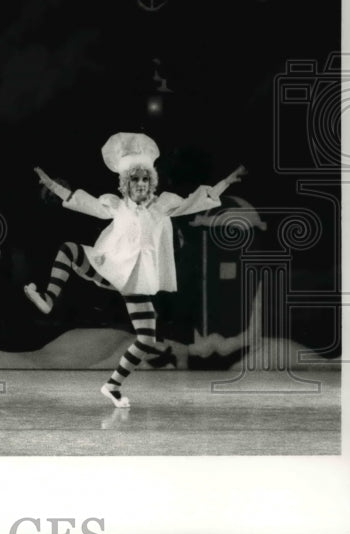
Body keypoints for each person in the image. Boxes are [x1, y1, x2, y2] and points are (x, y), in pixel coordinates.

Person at [26, 132, 245, 408]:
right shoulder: (116, 205)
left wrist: (226, 181)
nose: (140, 184)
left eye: (144, 179)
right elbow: (84, 203)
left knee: (147, 338)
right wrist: (52, 186)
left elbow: (198, 200)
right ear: (125, 184)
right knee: (69, 250)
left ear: (151, 182)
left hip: (136, 281)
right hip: (109, 269)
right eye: (134, 179)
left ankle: (112, 385)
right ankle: (48, 300)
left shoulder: (163, 205)